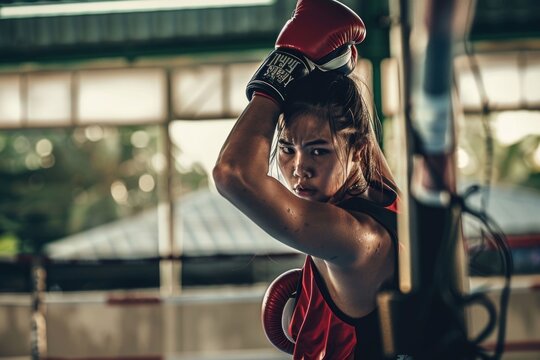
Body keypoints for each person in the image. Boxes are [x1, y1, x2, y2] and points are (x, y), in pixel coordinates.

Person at [213, 0, 400, 358]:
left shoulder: (356, 239)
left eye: (318, 151)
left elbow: (231, 173)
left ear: (358, 150)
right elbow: (354, 127)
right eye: (286, 149)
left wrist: (278, 73)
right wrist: (337, 70)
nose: (299, 168)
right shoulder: (385, 193)